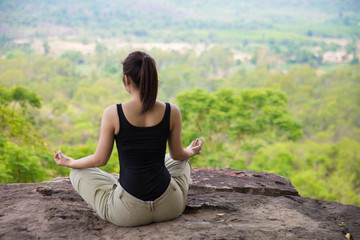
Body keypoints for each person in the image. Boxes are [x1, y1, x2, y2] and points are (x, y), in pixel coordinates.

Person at [53, 51, 203, 227]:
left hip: (127, 213)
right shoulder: (172, 111)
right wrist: (191, 151)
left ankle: (117, 189)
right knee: (182, 160)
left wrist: (70, 162)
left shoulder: (113, 113)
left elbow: (100, 160)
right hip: (171, 207)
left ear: (127, 79)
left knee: (77, 171)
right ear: (153, 78)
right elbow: (178, 154)